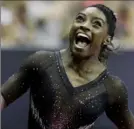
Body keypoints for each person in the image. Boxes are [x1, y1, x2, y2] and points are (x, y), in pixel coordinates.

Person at [1, 4, 134, 129]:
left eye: (96, 24)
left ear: (107, 39)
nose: (85, 26)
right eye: (80, 19)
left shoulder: (112, 88)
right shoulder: (41, 62)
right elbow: (3, 95)